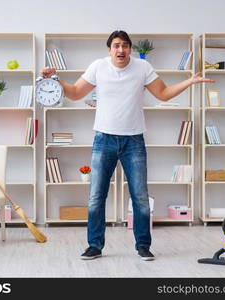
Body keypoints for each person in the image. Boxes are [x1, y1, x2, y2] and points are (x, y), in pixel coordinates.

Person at [41, 30, 213, 261]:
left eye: (125, 45)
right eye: (116, 45)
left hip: (134, 141)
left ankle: (143, 245)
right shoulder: (98, 67)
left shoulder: (143, 68)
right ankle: (95, 245)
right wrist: (54, 79)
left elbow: (162, 94)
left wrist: (190, 81)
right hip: (104, 139)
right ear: (109, 49)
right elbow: (74, 93)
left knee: (140, 196)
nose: (120, 50)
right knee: (96, 196)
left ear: (130, 48)